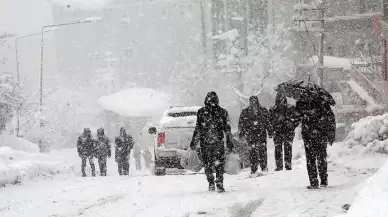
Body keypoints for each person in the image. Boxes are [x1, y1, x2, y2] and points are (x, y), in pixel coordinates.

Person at [190, 91, 233, 192]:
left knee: (207, 164)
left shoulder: (201, 112)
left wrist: (194, 142)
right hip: (218, 142)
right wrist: (229, 141)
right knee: (219, 164)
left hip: (206, 143)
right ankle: (219, 182)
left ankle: (211, 183)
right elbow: (227, 128)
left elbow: (198, 128)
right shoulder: (222, 112)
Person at [296, 94, 336, 189]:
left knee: (319, 158)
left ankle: (322, 181)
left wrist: (329, 132)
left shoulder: (322, 104)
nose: (306, 97)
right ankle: (315, 181)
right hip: (310, 136)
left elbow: (329, 118)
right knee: (312, 159)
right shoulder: (301, 104)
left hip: (318, 135)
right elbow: (297, 116)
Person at [238, 96, 271, 176]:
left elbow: (268, 122)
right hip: (251, 135)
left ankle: (264, 167)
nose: (253, 103)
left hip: (261, 134)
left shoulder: (263, 111)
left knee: (262, 151)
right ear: (250, 102)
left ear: (257, 101)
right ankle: (254, 169)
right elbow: (241, 123)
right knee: (252, 152)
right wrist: (241, 133)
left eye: (255, 101)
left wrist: (270, 131)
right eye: (252, 101)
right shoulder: (245, 112)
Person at [269, 93, 300, 171]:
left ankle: (288, 165)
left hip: (288, 132)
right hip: (277, 132)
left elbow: (298, 118)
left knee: (288, 149)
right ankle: (279, 166)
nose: (281, 101)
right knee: (278, 149)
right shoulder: (272, 110)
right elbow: (269, 121)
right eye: (280, 99)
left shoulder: (291, 108)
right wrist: (276, 121)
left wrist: (292, 123)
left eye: (283, 99)